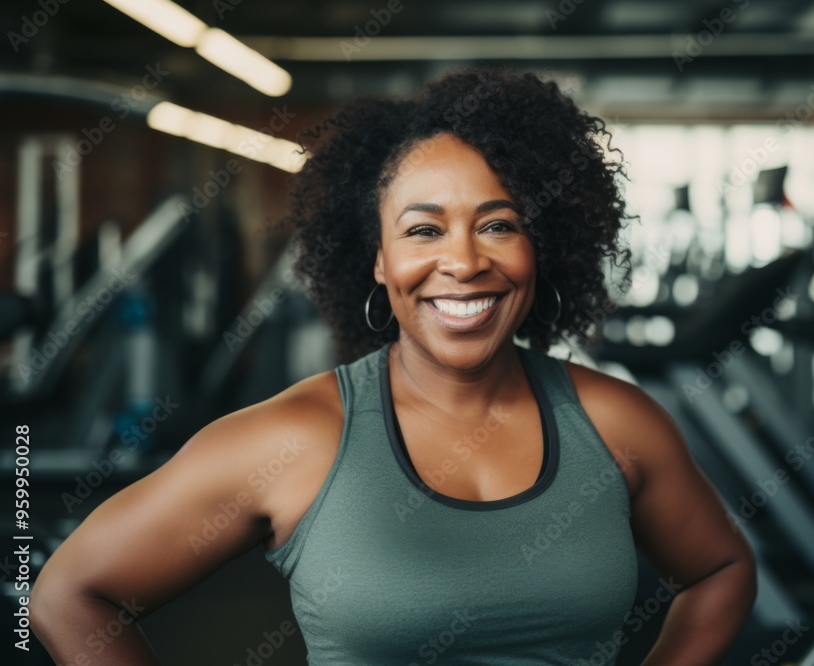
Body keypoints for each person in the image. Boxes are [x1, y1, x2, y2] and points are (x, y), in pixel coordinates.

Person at [30, 66, 756, 665]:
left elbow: (721, 570)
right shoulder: (295, 437)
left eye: (498, 224)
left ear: (542, 247)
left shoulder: (616, 422)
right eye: (424, 229)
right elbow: (70, 594)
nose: (464, 261)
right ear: (377, 259)